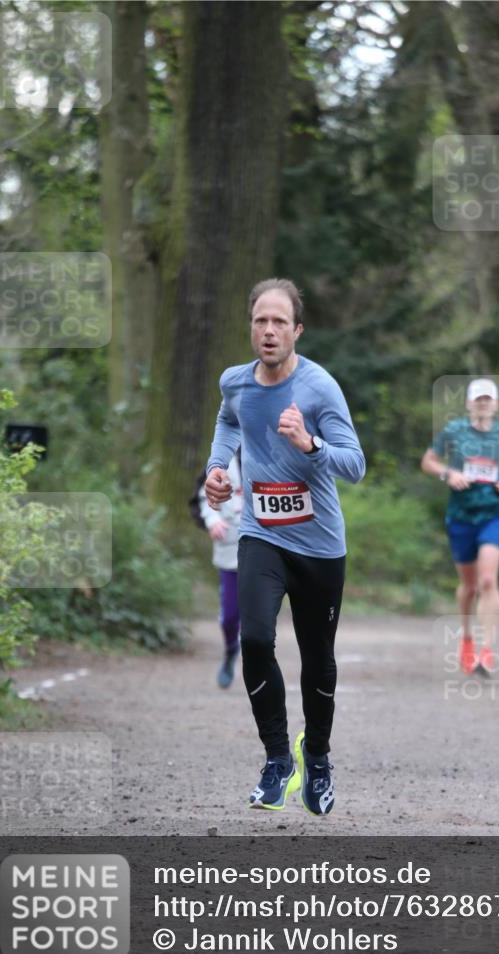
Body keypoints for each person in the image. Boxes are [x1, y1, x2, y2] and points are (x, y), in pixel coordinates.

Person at [204, 278, 365, 815]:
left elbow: (355, 465)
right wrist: (217, 470)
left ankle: (315, 756)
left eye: (279, 322)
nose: (268, 331)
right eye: (259, 321)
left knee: (318, 663)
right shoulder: (235, 383)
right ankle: (278, 760)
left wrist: (310, 444)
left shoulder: (320, 388)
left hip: (319, 547)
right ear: (250, 327)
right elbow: (228, 424)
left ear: (297, 330)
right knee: (253, 640)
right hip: (260, 536)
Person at [421, 378, 499, 674]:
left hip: (494, 513)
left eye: (487, 399)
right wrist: (447, 474)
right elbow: (428, 461)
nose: (483, 403)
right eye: (478, 399)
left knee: (487, 582)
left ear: (496, 404)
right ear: (468, 403)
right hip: (461, 515)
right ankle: (466, 639)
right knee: (468, 586)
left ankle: (486, 651)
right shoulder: (454, 432)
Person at [199, 453, 243, 688]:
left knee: (259, 617)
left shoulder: (272, 458)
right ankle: (230, 650)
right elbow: (206, 499)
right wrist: (213, 520)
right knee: (229, 617)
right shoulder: (222, 463)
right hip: (230, 552)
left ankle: (259, 665)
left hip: (266, 550)